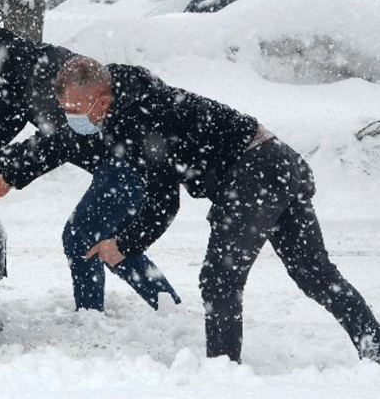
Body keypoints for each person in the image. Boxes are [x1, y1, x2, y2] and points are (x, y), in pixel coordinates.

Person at [52, 55, 380, 364]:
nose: (73, 117)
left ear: (101, 95)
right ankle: (375, 348)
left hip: (252, 174)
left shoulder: (143, 118)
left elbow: (164, 204)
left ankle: (222, 378)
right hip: (277, 160)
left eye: (75, 108)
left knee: (220, 281)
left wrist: (123, 245)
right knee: (316, 275)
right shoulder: (134, 104)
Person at [0, 25, 181, 312]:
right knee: (108, 242)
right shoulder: (18, 78)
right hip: (115, 160)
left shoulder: (47, 73)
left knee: (82, 236)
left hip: (128, 157)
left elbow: (58, 141)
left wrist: (6, 174)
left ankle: (92, 315)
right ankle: (167, 306)